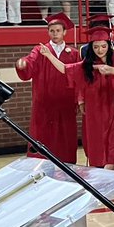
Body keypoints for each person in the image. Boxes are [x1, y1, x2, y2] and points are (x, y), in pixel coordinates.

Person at [38, 21, 114, 169]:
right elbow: (65, 69)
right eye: (96, 47)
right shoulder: (87, 65)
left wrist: (113, 70)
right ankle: (102, 174)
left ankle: (113, 172)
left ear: (109, 45)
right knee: (98, 144)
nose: (100, 50)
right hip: (96, 111)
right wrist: (49, 55)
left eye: (103, 46)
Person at [16, 14, 80, 162]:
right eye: (52, 31)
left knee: (65, 137)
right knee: (43, 137)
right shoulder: (40, 50)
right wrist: (22, 63)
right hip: (44, 104)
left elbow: (78, 78)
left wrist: (78, 100)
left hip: (65, 104)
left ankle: (67, 166)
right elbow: (30, 61)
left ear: (64, 32)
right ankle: (39, 167)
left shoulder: (73, 53)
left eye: (58, 30)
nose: (55, 34)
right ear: (48, 32)